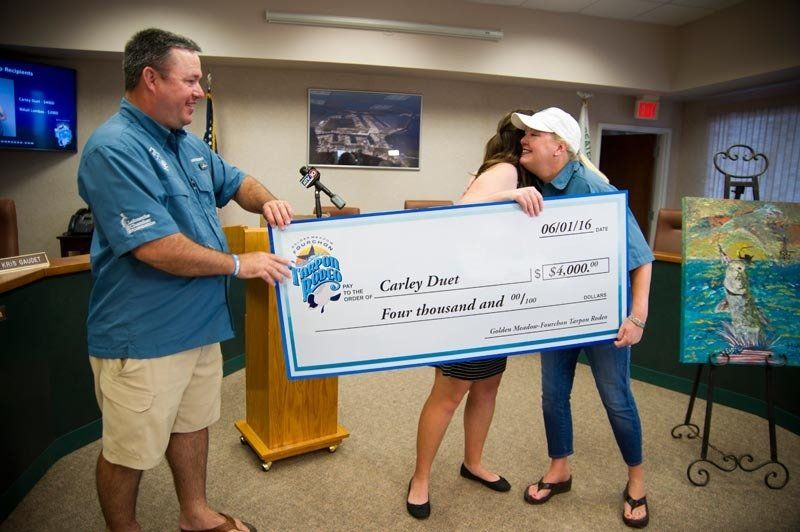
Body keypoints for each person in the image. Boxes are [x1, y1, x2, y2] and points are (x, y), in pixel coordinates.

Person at [77, 28, 294, 532]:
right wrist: (242, 265)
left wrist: (268, 201)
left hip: (200, 325)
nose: (200, 91)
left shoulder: (187, 144)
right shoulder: (114, 148)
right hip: (145, 333)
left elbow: (236, 180)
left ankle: (194, 514)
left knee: (193, 426)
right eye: (191, 80)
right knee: (128, 450)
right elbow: (153, 246)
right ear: (150, 79)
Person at [504, 107, 653, 528]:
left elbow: (641, 259)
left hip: (604, 316)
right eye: (524, 133)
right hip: (558, 314)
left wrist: (637, 317)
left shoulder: (593, 187)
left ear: (560, 146)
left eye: (534, 133)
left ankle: (637, 481)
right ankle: (560, 468)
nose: (524, 140)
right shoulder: (533, 186)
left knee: (616, 398)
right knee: (553, 395)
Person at [406, 110, 544, 520]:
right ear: (518, 140)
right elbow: (461, 211)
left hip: (494, 297)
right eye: (531, 135)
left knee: (487, 387)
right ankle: (421, 478)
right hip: (469, 300)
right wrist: (509, 196)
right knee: (448, 395)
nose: (532, 141)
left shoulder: (521, 175)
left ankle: (473, 462)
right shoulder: (505, 171)